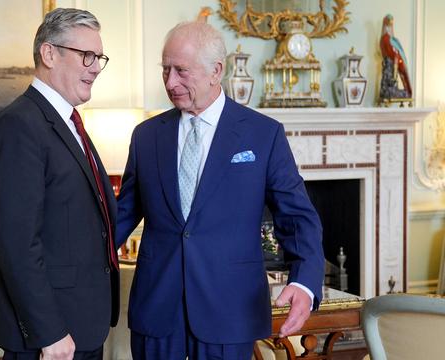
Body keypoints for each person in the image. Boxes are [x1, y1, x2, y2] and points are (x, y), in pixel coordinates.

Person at [116, 21, 324, 359]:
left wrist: (303, 282)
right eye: (165, 70)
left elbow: (298, 217)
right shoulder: (146, 136)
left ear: (216, 71)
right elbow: (119, 218)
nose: (170, 82)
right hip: (157, 312)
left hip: (230, 310)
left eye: (181, 71)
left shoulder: (263, 135)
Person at [0, 8, 119, 360]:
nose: (95, 67)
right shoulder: (18, 126)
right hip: (50, 337)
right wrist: (50, 332)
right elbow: (16, 243)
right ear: (49, 54)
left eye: (99, 57)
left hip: (81, 323)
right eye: (86, 55)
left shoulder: (69, 122)